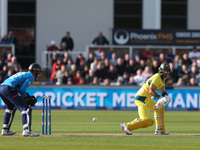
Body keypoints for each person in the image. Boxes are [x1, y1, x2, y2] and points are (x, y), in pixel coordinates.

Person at [120, 63, 171, 135]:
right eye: (164, 70)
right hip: (141, 98)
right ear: (160, 70)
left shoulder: (162, 80)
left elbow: (163, 90)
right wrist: (160, 98)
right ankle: (127, 126)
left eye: (167, 71)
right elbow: (151, 91)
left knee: (160, 108)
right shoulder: (157, 78)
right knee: (147, 121)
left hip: (147, 99)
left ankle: (159, 130)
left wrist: (166, 97)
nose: (166, 72)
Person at [0, 63, 41, 136]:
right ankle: (27, 130)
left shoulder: (23, 73)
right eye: (38, 72)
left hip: (2, 88)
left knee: (11, 107)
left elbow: (18, 88)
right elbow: (22, 90)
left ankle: (5, 129)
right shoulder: (31, 76)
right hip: (9, 88)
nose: (38, 74)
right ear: (35, 71)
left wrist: (24, 96)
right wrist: (25, 97)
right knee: (25, 108)